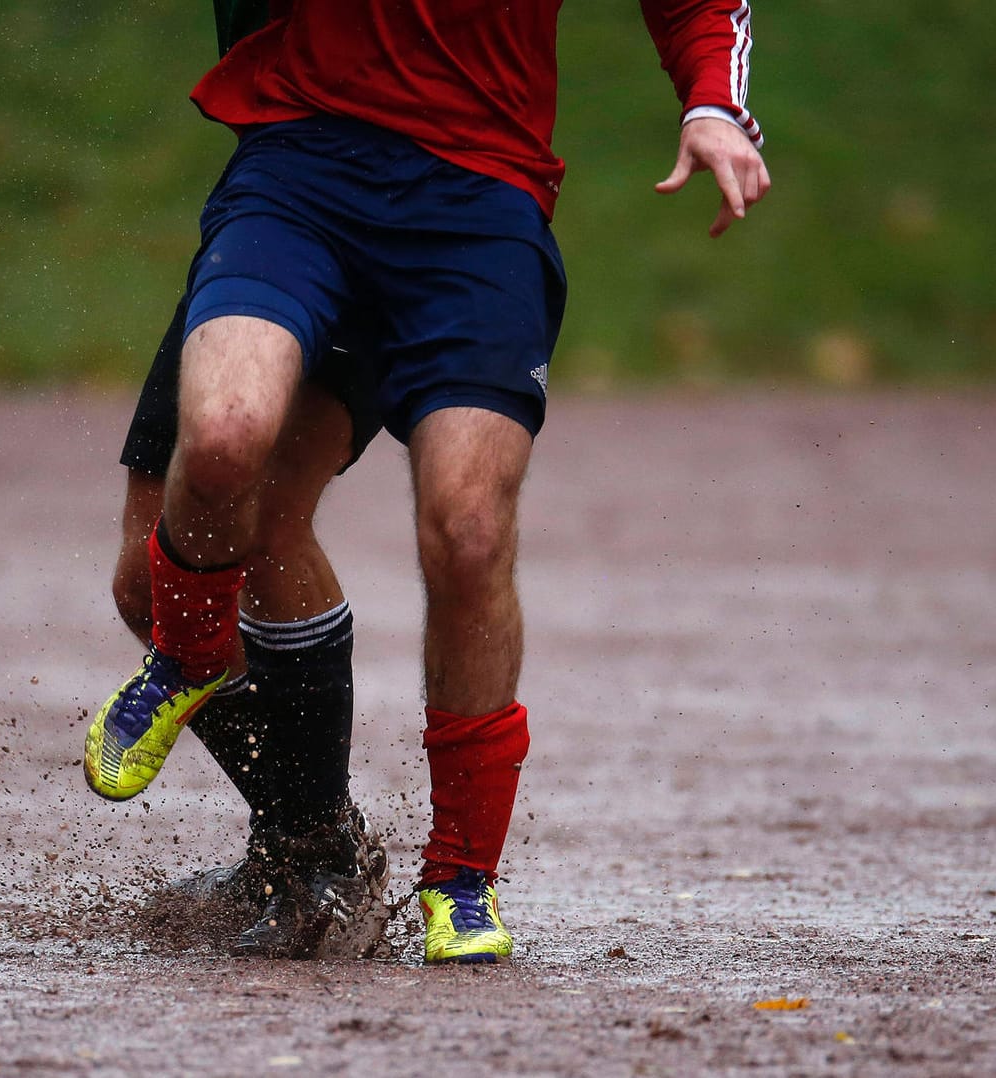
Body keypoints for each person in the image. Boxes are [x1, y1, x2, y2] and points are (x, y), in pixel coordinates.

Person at [86, 0, 770, 965]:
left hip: (465, 199)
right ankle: (308, 830)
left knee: (411, 528)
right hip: (300, 165)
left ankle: (356, 862)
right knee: (145, 575)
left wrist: (715, 102)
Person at [113, 298, 390, 959]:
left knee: (268, 517)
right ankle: (297, 837)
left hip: (382, 244)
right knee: (148, 579)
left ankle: (316, 855)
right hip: (256, 234)